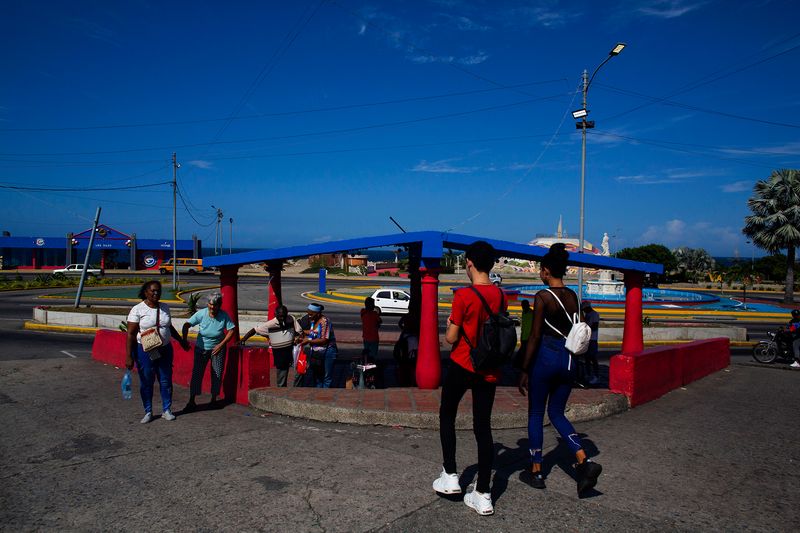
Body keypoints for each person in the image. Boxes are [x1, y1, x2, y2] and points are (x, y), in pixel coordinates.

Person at [517, 243, 602, 495]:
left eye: (541, 271)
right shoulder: (573, 296)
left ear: (545, 271)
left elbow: (534, 336)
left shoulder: (542, 297)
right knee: (557, 414)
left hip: (546, 358)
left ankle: (536, 471)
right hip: (568, 361)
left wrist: (524, 368)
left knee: (535, 414)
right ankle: (583, 460)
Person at [433, 240, 504, 516]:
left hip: (463, 364)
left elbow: (451, 337)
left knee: (447, 414)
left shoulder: (463, 295)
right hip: (488, 369)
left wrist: (451, 325)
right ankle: (483, 494)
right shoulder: (499, 295)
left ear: (470, 264)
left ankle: (450, 475)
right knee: (483, 428)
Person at [125, 280, 189, 424]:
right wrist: (129, 356)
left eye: (158, 291)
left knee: (165, 380)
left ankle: (167, 410)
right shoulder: (137, 309)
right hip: (145, 350)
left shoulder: (165, 307)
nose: (156, 293)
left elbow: (169, 327)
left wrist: (180, 341)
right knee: (147, 380)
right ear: (145, 292)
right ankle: (148, 411)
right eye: (152, 291)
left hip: (165, 349)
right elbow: (130, 334)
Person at [182, 293, 237, 411]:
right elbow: (186, 325)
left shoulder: (223, 315)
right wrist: (184, 340)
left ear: (220, 305)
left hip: (218, 349)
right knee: (197, 374)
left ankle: (213, 400)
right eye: (211, 304)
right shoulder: (201, 314)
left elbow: (231, 330)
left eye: (215, 305)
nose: (212, 307)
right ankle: (192, 401)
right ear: (208, 304)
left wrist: (221, 345)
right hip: (201, 348)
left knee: (217, 374)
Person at [240, 305, 302, 387]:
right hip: (280, 354)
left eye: (284, 316)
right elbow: (254, 330)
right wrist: (244, 339)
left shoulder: (291, 319)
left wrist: (295, 337)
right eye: (280, 317)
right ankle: (281, 393)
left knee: (297, 373)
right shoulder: (270, 324)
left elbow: (299, 331)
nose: (282, 319)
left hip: (291, 351)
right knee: (282, 377)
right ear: (275, 315)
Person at [299, 303, 338, 388]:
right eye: (308, 313)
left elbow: (324, 339)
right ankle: (318, 393)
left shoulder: (325, 321)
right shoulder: (313, 321)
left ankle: (325, 396)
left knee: (327, 377)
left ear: (318, 313)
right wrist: (303, 333)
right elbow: (313, 332)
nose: (309, 316)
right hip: (317, 353)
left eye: (311, 314)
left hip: (328, 352)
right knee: (317, 377)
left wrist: (308, 340)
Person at [581, 301, 601, 385]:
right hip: (587, 339)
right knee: (587, 358)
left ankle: (596, 376)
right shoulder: (588, 315)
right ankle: (588, 374)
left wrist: (585, 328)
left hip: (592, 339)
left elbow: (595, 326)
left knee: (593, 358)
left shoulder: (594, 314)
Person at [361, 297, 382, 362]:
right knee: (372, 355)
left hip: (366, 337)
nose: (374, 306)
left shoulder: (362, 312)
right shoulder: (374, 314)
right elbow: (380, 321)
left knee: (366, 355)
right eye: (373, 304)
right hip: (374, 338)